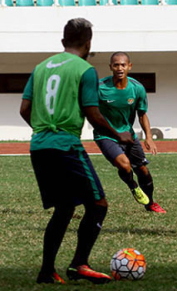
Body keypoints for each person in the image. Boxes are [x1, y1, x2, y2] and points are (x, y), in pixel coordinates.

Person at [19, 18, 133, 284]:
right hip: (66, 146)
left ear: (63, 42)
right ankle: (79, 263)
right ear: (88, 42)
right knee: (98, 204)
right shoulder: (85, 70)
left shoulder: (40, 67)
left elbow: (25, 109)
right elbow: (92, 112)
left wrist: (44, 128)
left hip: (39, 146)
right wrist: (119, 134)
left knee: (65, 207)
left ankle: (47, 271)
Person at [94, 52, 165, 213]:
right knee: (124, 165)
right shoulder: (100, 88)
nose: (120, 68)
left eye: (123, 65)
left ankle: (151, 203)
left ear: (129, 66)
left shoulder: (137, 88)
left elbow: (142, 114)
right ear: (111, 67)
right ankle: (133, 187)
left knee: (143, 170)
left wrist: (148, 137)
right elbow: (88, 109)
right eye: (116, 65)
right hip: (105, 135)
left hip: (128, 135)